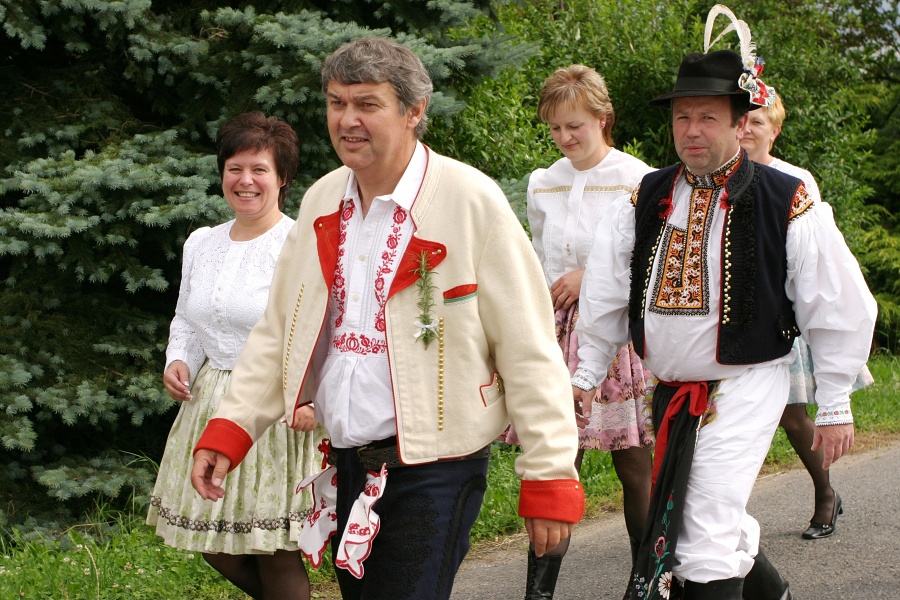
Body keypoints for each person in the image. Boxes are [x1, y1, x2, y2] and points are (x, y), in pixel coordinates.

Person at [189, 37, 585, 600]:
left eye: (367, 104)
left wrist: (549, 472)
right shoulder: (322, 199)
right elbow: (280, 330)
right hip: (347, 462)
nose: (347, 120)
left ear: (414, 110)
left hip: (437, 467)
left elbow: (529, 346)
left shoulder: (470, 199)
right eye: (336, 102)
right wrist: (232, 428)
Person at [571, 10, 877, 598]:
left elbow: (835, 301)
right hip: (671, 390)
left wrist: (835, 400)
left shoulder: (785, 198)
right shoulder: (645, 196)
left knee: (702, 532)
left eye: (708, 117)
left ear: (740, 123)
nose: (692, 131)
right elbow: (606, 288)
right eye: (682, 117)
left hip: (747, 384)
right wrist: (588, 369)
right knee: (711, 514)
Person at [147, 111, 325, 600]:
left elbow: (319, 328)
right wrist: (179, 359)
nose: (245, 181)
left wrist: (311, 397)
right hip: (209, 405)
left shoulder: (299, 244)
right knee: (215, 544)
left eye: (259, 169)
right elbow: (187, 317)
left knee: (274, 551)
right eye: (235, 168)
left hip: (275, 409)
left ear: (282, 177)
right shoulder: (201, 243)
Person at [500, 64, 655, 599]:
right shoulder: (543, 182)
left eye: (575, 126)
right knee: (557, 459)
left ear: (602, 119)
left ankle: (646, 581)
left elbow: (651, 260)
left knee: (634, 464)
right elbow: (538, 255)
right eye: (555, 128)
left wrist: (590, 277)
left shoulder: (638, 178)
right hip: (555, 333)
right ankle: (539, 592)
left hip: (615, 331)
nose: (565, 138)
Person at [740, 92, 875, 540]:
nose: (747, 129)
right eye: (742, 120)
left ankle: (826, 493)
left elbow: (814, 256)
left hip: (784, 312)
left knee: (791, 414)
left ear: (774, 130)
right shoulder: (717, 175)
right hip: (735, 315)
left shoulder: (795, 180)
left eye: (758, 122)